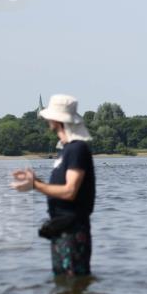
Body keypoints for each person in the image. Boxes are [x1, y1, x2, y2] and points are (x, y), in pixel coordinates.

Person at [10, 94, 96, 277]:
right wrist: (36, 181)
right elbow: (61, 188)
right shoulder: (65, 150)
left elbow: (70, 191)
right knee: (64, 287)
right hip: (61, 229)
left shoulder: (77, 149)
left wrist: (35, 186)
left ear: (57, 120)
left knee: (72, 286)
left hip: (73, 230)